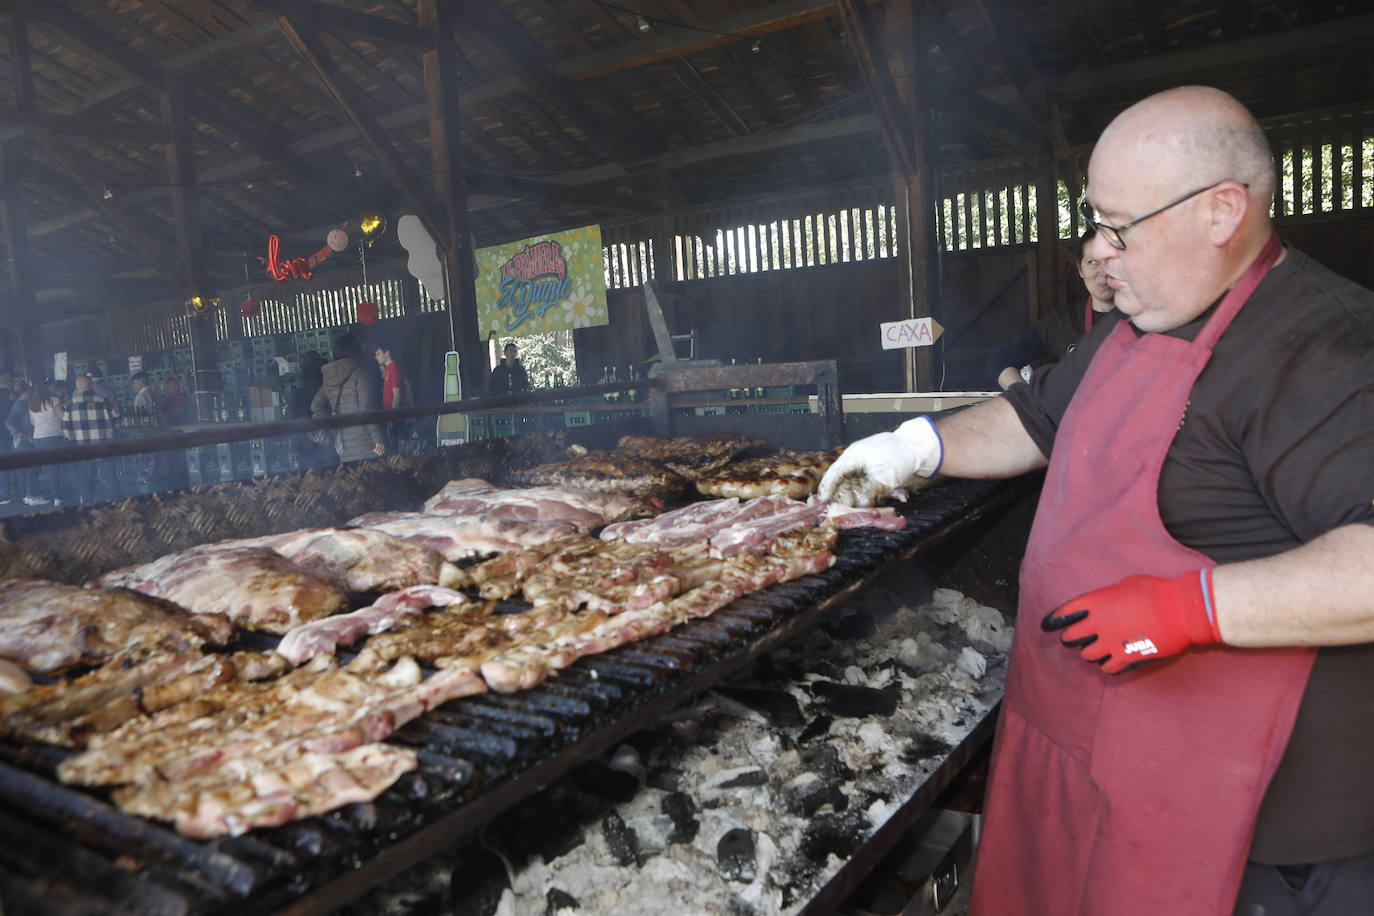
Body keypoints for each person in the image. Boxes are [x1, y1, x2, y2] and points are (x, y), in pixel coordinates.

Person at [819, 86, 1374, 916]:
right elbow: (1033, 417)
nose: (1101, 251)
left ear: (1222, 211)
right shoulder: (1138, 322)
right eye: (1097, 221)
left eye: (1121, 226)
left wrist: (1188, 610)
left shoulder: (1326, 347)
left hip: (1258, 832)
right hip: (1100, 759)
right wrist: (916, 447)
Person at [986, 228, 1117, 389]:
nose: (1103, 272)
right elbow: (1000, 361)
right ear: (1080, 269)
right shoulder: (1062, 322)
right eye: (1092, 262)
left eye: (1110, 261)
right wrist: (1025, 398)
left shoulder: (1142, 320)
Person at [311, 333, 385, 463]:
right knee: (370, 473)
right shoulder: (360, 373)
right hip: (366, 442)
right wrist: (378, 439)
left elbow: (316, 405)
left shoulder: (329, 379)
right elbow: (366, 407)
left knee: (351, 474)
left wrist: (331, 425)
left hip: (343, 445)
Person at [61, 373, 120, 505]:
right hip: (105, 447)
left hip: (83, 449)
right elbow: (116, 421)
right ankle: (116, 504)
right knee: (110, 477)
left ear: (77, 387)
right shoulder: (104, 402)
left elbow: (65, 430)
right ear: (92, 385)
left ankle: (89, 505)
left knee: (86, 481)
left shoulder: (68, 405)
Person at [287, 351, 338, 470]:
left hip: (306, 449)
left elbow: (289, 422)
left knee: (310, 480)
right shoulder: (329, 389)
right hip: (330, 443)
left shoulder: (298, 394)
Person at [25, 380, 65, 506]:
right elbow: (62, 416)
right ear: (46, 389)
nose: (53, 389)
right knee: (53, 469)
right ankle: (58, 497)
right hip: (53, 436)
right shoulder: (54, 400)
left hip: (38, 437)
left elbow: (32, 422)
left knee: (40, 467)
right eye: (52, 387)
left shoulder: (32, 403)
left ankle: (32, 495)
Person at [4, 381, 44, 506]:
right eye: (30, 391)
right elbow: (9, 421)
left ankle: (26, 495)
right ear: (25, 392)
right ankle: (31, 495)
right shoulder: (20, 404)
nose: (31, 393)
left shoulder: (20, 403)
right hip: (25, 441)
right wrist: (19, 434)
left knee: (24, 470)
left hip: (21, 442)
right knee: (31, 469)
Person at [373, 339, 414, 452]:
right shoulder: (388, 369)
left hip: (397, 419)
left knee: (398, 448)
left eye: (378, 353)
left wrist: (392, 417)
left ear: (387, 353)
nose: (376, 357)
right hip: (392, 417)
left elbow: (397, 396)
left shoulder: (394, 370)